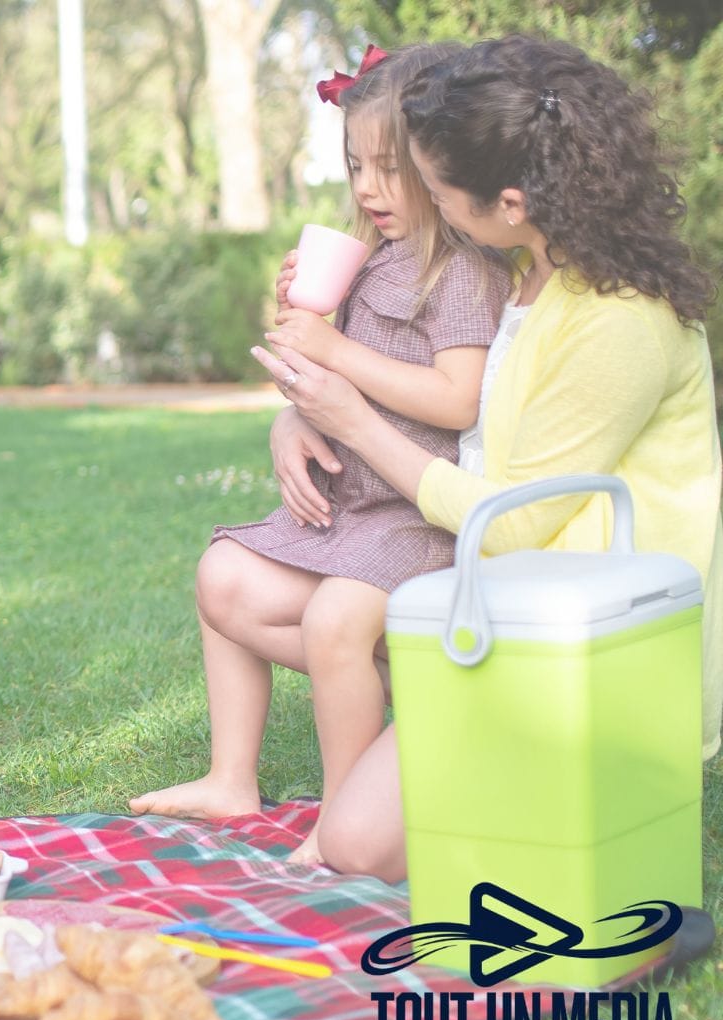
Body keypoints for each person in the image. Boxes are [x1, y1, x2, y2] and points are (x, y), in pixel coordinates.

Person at [256, 35, 722, 882]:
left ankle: (530, 782)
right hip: (509, 607)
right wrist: (300, 419)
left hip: (599, 654)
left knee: (357, 846)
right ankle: (462, 753)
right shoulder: (527, 269)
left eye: (437, 190)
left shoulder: (620, 321)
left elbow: (511, 526)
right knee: (266, 601)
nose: (423, 204)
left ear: (511, 202)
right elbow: (441, 408)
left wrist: (355, 422)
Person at [131, 44, 512, 865]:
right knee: (222, 575)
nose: (369, 188)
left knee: (338, 620)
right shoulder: (367, 260)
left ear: (437, 164)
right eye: (355, 166)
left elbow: (457, 398)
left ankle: (342, 816)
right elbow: (325, 391)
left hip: (419, 515)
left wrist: (336, 354)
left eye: (389, 168)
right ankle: (232, 775)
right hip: (353, 508)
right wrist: (297, 374)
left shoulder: (462, 273)